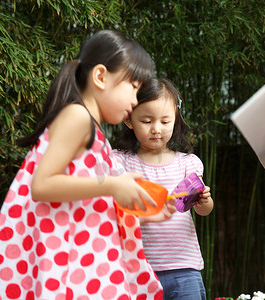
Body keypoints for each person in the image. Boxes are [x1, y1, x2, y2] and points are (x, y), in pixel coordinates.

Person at [0, 30, 165, 300]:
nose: (134, 100)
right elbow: (43, 184)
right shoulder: (77, 117)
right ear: (101, 77)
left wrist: (141, 209)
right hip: (69, 258)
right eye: (133, 87)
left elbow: (84, 196)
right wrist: (112, 184)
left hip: (78, 256)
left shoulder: (92, 130)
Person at [113, 78, 214, 300]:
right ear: (129, 120)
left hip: (185, 267)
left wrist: (205, 201)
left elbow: (202, 211)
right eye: (147, 121)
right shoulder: (120, 162)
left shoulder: (188, 163)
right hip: (137, 268)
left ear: (175, 120)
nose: (156, 129)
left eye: (165, 121)